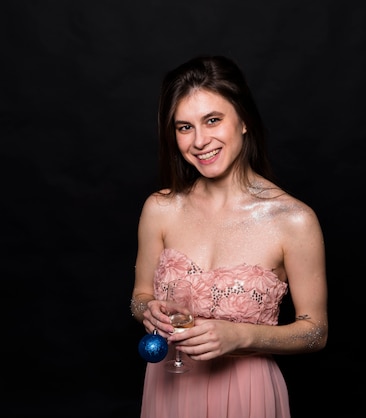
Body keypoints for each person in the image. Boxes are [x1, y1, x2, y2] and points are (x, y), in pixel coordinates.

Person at [130, 55, 328, 418]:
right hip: (168, 387)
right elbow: (139, 297)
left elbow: (315, 332)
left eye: (213, 120)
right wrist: (149, 311)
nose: (200, 141)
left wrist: (242, 337)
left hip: (246, 395)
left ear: (244, 121)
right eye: (184, 127)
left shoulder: (293, 220)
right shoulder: (159, 209)